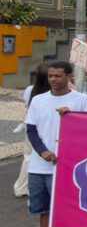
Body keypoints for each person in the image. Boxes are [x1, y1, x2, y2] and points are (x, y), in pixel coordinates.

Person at [14, 61, 85, 227]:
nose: (53, 79)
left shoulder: (81, 100)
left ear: (69, 76)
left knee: (64, 211)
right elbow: (31, 129)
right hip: (39, 167)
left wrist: (73, 118)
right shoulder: (38, 100)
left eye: (58, 76)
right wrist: (43, 151)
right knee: (43, 210)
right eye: (50, 76)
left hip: (64, 167)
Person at [14, 63, 50, 198]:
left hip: (30, 125)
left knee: (28, 156)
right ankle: (23, 187)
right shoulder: (50, 94)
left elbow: (26, 104)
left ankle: (21, 187)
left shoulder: (30, 90)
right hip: (42, 126)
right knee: (33, 157)